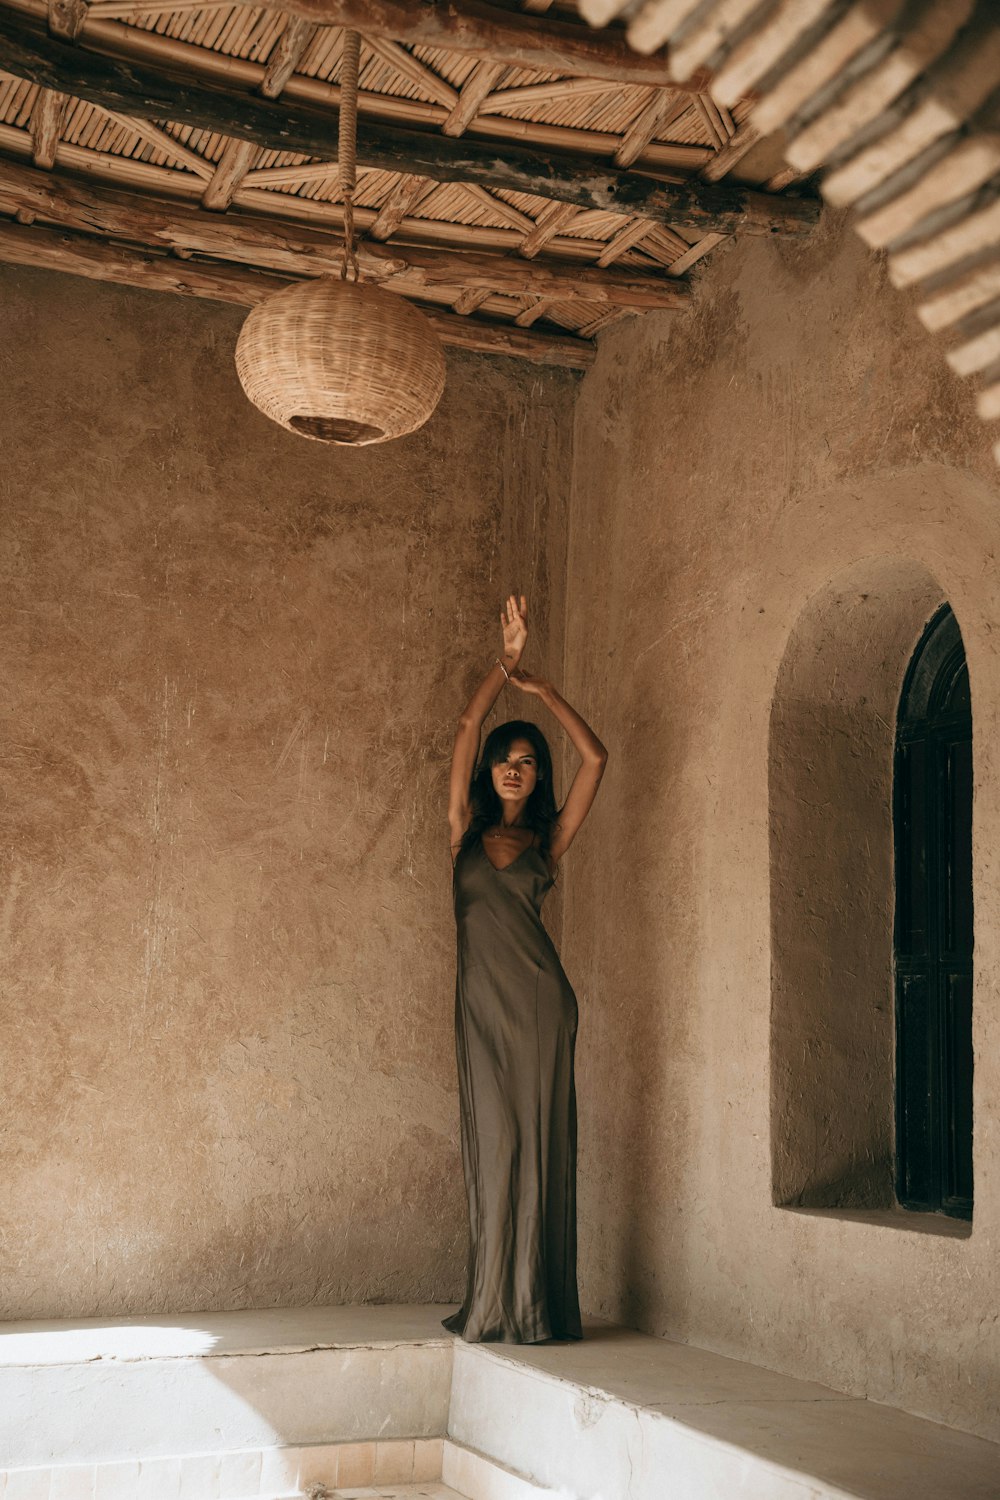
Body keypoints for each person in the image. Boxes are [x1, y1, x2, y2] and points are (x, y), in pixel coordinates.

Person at [443, 593, 608, 1343]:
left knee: (536, 1145)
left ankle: (533, 1306)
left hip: (543, 1005)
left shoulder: (547, 846)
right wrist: (502, 669)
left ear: (540, 780)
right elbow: (468, 726)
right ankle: (491, 1301)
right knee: (495, 1143)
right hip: (480, 1007)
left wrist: (544, 693)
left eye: (530, 764)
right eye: (508, 761)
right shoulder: (462, 833)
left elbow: (598, 759)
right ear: (492, 773)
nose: (516, 770)